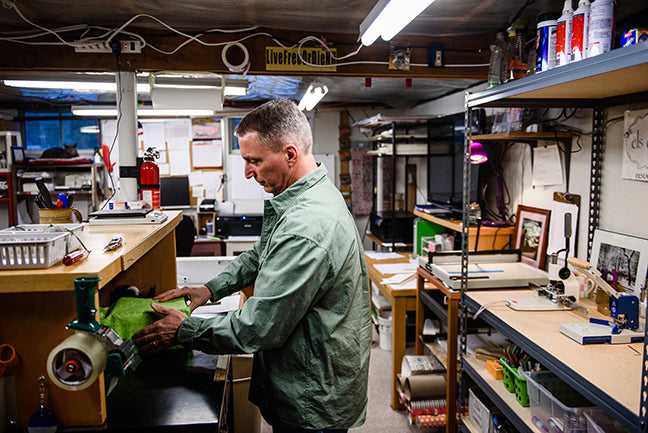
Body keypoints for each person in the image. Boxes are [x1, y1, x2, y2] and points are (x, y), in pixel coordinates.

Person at [133, 98, 371, 433]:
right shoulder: (308, 196)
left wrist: (184, 330)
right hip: (311, 373)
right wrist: (210, 289)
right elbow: (261, 254)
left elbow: (259, 327)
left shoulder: (307, 224)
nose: (246, 172)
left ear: (290, 154)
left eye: (254, 160)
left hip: (311, 396)